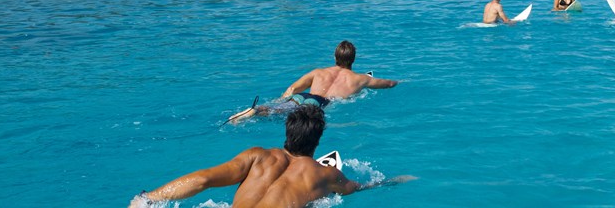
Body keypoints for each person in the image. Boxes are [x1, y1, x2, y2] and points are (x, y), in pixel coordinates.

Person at [132, 106, 413, 207]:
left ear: (287, 133)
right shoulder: (324, 174)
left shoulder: (256, 157)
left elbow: (203, 180)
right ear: (317, 141)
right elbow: (356, 189)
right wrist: (393, 181)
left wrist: (149, 198)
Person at [228, 41, 399, 124]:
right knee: (287, 113)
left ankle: (254, 110)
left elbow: (293, 88)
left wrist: (281, 100)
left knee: (277, 109)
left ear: (334, 57)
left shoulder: (318, 72)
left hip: (304, 95)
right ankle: (256, 112)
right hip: (320, 103)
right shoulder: (361, 78)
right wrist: (400, 82)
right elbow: (388, 84)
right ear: (353, 59)